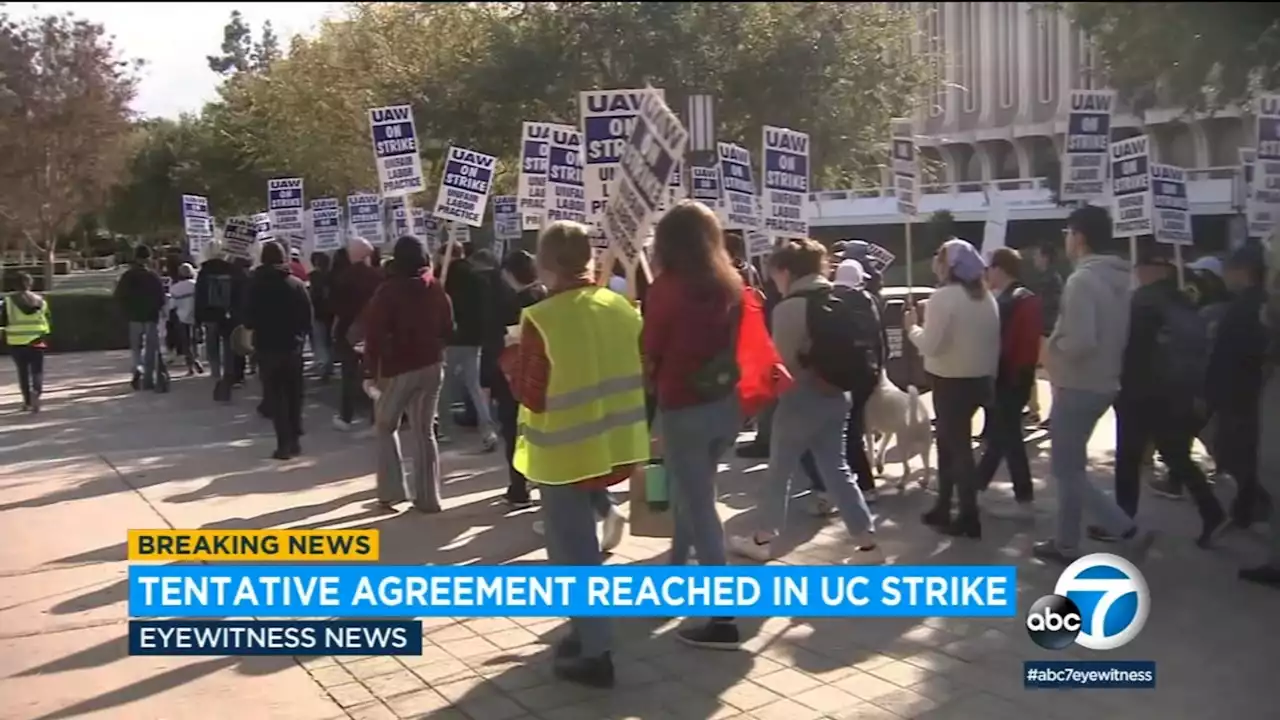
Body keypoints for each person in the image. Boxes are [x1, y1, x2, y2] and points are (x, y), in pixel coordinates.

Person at [502, 220, 650, 688]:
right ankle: (587, 631)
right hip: (618, 442)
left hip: (564, 450)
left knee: (573, 553)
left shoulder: (540, 318)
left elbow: (531, 393)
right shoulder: (623, 308)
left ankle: (596, 649)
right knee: (579, 550)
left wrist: (509, 360)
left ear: (545, 265)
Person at [729, 239, 879, 563]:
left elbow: (781, 364)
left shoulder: (790, 308)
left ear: (786, 271)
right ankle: (868, 542)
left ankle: (761, 538)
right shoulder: (837, 297)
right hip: (838, 396)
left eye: (775, 274)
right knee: (838, 471)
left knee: (778, 472)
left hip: (800, 400)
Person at [644, 201, 745, 650]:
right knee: (695, 492)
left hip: (683, 405)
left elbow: (651, 347)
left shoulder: (667, 288)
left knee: (699, 503)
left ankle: (722, 615)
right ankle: (675, 578)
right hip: (725, 404)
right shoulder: (731, 284)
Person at [1033, 206, 1154, 564]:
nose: (1065, 240)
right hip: (1104, 382)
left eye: (1067, 233)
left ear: (1080, 237)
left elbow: (1082, 341)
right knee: (1071, 468)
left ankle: (1127, 530)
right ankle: (1066, 542)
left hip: (1078, 384)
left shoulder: (1082, 280)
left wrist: (1050, 349)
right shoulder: (1122, 277)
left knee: (1066, 470)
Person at [1108, 245, 1224, 547]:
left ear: (1150, 268)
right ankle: (1211, 510)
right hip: (1176, 393)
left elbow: (1124, 344)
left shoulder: (1142, 300)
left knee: (1128, 458)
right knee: (1175, 454)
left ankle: (1124, 520)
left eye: (1139, 266)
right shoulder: (1183, 299)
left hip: (1138, 391)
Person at [905, 239, 999, 538]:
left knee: (957, 450)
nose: (936, 262)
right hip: (979, 379)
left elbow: (932, 345)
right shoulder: (986, 298)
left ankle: (968, 515)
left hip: (950, 381)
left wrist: (912, 328)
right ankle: (944, 505)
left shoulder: (944, 297)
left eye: (940, 257)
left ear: (950, 265)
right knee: (949, 446)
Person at [362, 236, 454, 512]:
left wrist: (369, 370)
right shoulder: (436, 288)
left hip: (400, 368)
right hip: (433, 364)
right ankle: (428, 497)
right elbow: (449, 329)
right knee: (424, 432)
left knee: (385, 423)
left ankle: (391, 491)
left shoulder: (388, 291)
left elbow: (374, 334)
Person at [975, 248, 1042, 517]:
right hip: (1021, 377)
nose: (987, 274)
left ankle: (1022, 496)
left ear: (1000, 269)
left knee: (1008, 437)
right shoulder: (1025, 297)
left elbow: (998, 346)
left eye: (989, 268)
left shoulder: (1008, 302)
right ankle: (979, 486)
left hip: (1007, 377)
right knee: (1004, 436)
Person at [1206, 244, 1270, 531]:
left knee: (1234, 452)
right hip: (1254, 393)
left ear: (1242, 271)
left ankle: (1254, 504)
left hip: (1239, 394)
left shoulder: (1245, 308)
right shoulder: (1262, 304)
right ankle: (1245, 507)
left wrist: (1210, 395)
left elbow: (1227, 356)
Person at [244, 241, 313, 460]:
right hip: (292, 347)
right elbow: (307, 318)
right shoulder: (296, 284)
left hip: (267, 347)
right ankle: (295, 439)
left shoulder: (254, 285)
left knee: (276, 397)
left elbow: (247, 319)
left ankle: (283, 443)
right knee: (294, 395)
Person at [492, 250, 547, 508]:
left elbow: (509, 342)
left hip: (517, 374)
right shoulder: (547, 296)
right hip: (544, 373)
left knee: (514, 431)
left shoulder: (512, 304)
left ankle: (519, 486)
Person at [439, 242, 499, 450]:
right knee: (474, 385)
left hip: (452, 338)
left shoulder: (444, 277)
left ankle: (445, 430)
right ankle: (487, 430)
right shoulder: (478, 277)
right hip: (475, 339)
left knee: (444, 385)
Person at [331, 238, 384, 431]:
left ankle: (346, 417)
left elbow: (336, 307)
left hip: (349, 333)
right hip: (374, 331)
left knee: (349, 376)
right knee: (375, 375)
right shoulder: (379, 276)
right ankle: (376, 417)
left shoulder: (342, 278)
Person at [114, 244, 167, 391]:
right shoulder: (153, 276)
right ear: (148, 258)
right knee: (151, 349)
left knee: (136, 349)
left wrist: (125, 312)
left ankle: (138, 368)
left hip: (134, 317)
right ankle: (148, 378)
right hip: (150, 317)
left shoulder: (127, 276)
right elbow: (161, 298)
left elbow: (119, 296)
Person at [1026, 242, 1065, 425]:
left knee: (1052, 375)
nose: (1035, 259)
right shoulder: (1049, 278)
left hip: (1046, 332)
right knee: (1031, 371)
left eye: (1037, 255)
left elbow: (1049, 306)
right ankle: (1034, 410)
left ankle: (1054, 414)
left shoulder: (1050, 279)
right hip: (1043, 330)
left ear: (1045, 257)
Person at [1, 272, 50, 412]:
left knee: (22, 372)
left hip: (16, 342)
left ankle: (27, 402)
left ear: (14, 285)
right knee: (37, 371)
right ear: (30, 283)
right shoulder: (41, 301)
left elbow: (3, 321)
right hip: (37, 340)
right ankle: (37, 392)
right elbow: (47, 319)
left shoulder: (8, 301)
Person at [170, 263, 202, 376]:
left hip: (182, 318)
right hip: (196, 316)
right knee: (195, 341)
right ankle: (196, 358)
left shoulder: (175, 288)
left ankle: (190, 367)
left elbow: (172, 305)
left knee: (185, 343)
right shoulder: (196, 285)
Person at [308, 251, 335, 380]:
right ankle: (329, 366)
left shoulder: (314, 277)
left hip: (318, 313)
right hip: (331, 312)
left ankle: (324, 366)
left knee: (320, 341)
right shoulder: (332, 276)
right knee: (329, 340)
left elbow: (313, 295)